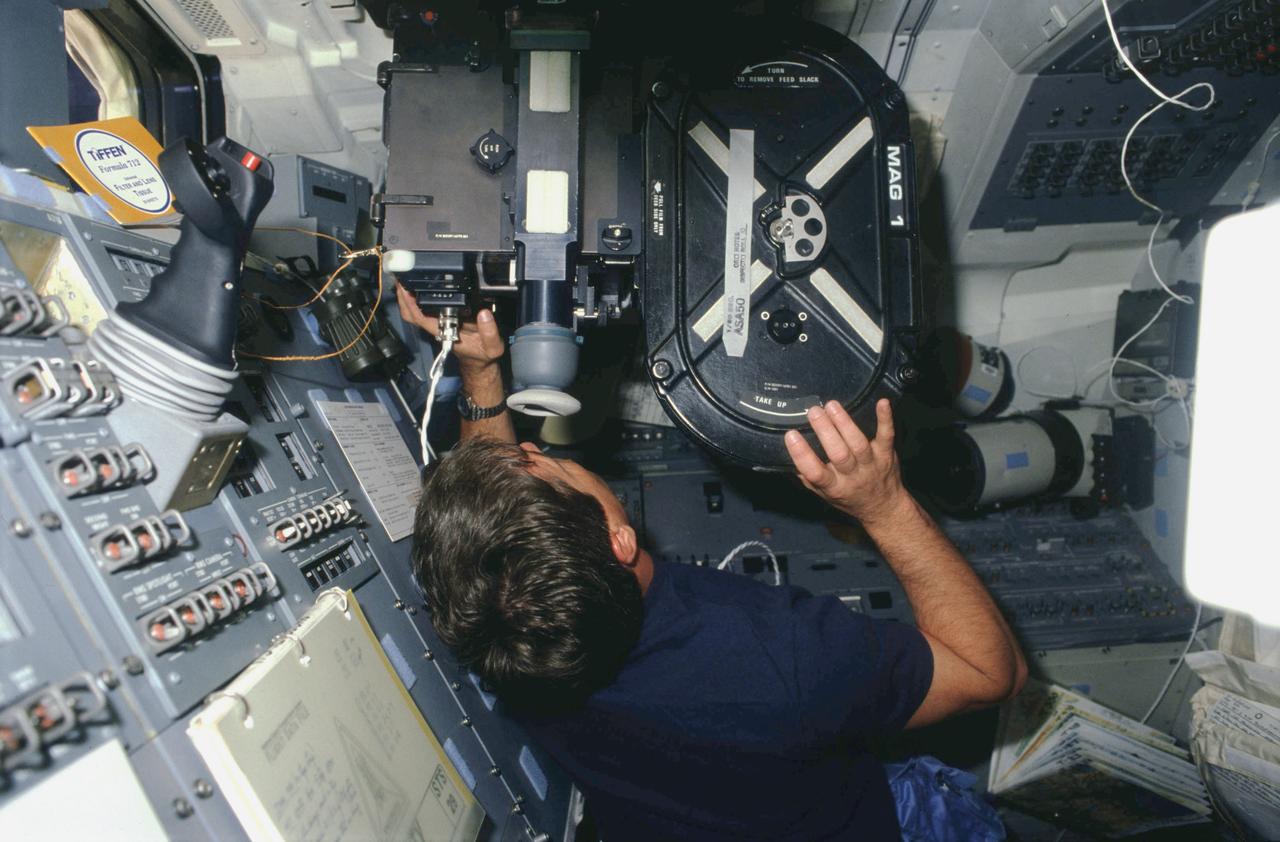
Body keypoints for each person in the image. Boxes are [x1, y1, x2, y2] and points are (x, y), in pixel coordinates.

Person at [399, 288, 1028, 842]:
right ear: (619, 539)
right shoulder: (779, 659)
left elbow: (495, 519)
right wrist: (884, 505)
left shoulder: (497, 631)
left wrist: (481, 373)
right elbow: (989, 673)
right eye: (553, 466)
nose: (533, 447)